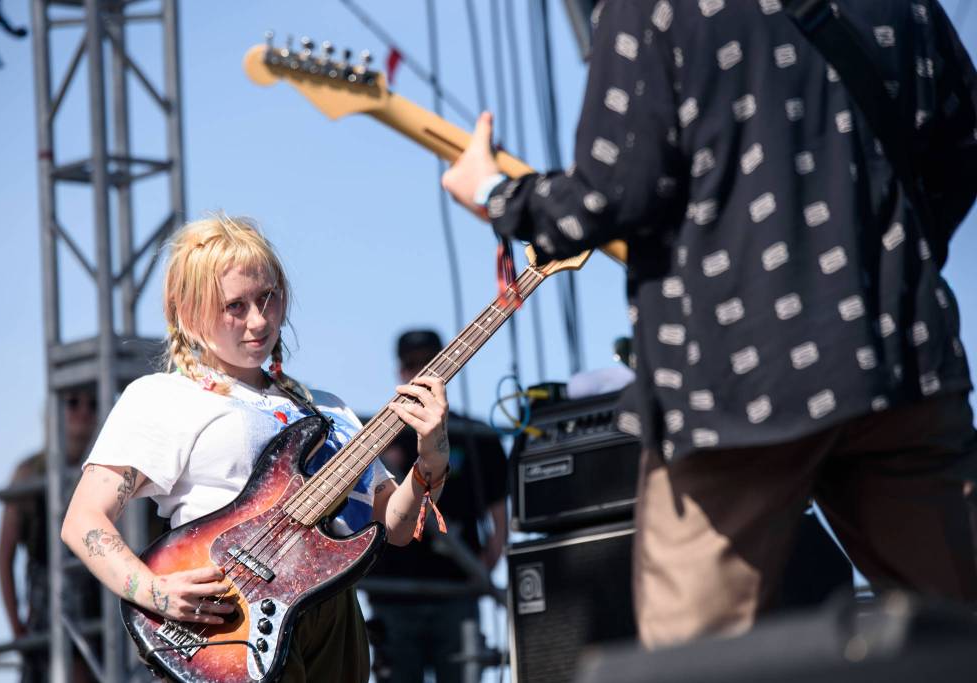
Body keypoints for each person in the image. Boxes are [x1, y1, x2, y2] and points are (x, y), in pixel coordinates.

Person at [442, 0, 977, 649]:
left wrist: (492, 190)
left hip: (736, 382)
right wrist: (884, 269)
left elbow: (609, 194)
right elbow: (960, 148)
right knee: (958, 628)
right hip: (906, 361)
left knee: (695, 655)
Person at [59, 214, 451, 682]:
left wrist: (432, 456)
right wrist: (153, 590)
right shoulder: (164, 396)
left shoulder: (329, 409)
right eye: (235, 306)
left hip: (332, 613)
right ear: (188, 311)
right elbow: (83, 520)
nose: (259, 320)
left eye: (268, 297)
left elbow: (397, 528)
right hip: (229, 620)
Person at [366, 329, 507, 683]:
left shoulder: (477, 435)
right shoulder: (376, 437)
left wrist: (483, 567)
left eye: (428, 363)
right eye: (412, 365)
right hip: (392, 595)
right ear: (400, 371)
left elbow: (499, 515)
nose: (419, 373)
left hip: (456, 592)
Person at [0, 387, 102, 682]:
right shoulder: (29, 473)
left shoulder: (110, 472)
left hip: (99, 599)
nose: (84, 411)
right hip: (49, 603)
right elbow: (4, 555)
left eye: (93, 404)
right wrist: (15, 624)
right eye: (73, 402)